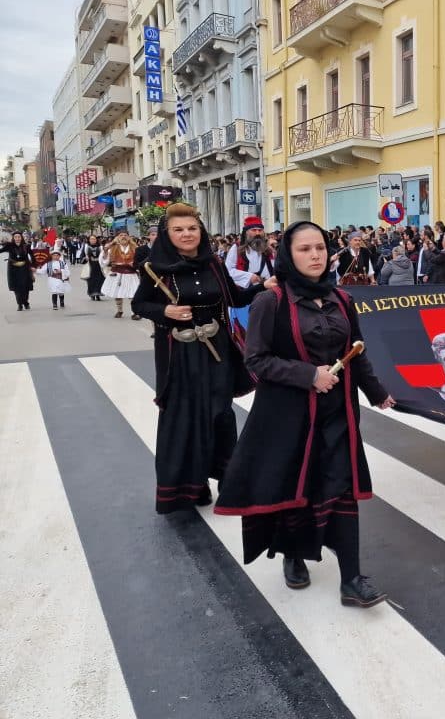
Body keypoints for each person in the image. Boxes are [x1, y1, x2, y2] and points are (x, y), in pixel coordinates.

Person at [214, 221, 395, 607]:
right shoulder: (271, 301)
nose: (315, 255)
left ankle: (352, 578)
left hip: (339, 414)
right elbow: (256, 360)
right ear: (287, 256)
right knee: (295, 485)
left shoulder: (342, 300)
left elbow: (356, 352)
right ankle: (294, 554)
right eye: (305, 249)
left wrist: (379, 394)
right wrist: (308, 375)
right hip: (289, 417)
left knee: (341, 487)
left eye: (320, 248)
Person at [131, 202, 272, 513]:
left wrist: (265, 287)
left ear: (201, 231)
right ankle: (191, 487)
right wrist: (165, 311)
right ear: (168, 234)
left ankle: (228, 481)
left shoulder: (214, 264)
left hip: (217, 349)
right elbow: (139, 305)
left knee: (220, 412)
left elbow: (235, 298)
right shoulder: (156, 268)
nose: (186, 234)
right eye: (178, 229)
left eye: (192, 228)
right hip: (179, 354)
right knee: (185, 416)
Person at [101, 231, 140, 319]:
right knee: (117, 293)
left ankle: (134, 313)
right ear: (117, 237)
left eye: (125, 235)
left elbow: (140, 260)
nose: (123, 237)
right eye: (121, 235)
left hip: (131, 273)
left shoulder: (135, 247)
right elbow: (104, 261)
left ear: (129, 237)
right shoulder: (113, 247)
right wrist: (107, 249)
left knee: (133, 293)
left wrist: (135, 264)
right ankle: (119, 310)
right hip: (117, 272)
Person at [0, 231, 35, 311]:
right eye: (15, 237)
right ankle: (19, 304)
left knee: (25, 287)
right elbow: (1, 251)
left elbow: (32, 255)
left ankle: (26, 302)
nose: (17, 239)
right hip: (13, 269)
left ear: (21, 238)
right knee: (17, 287)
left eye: (19, 237)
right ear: (13, 238)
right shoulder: (9, 246)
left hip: (25, 268)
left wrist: (33, 266)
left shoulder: (26, 246)